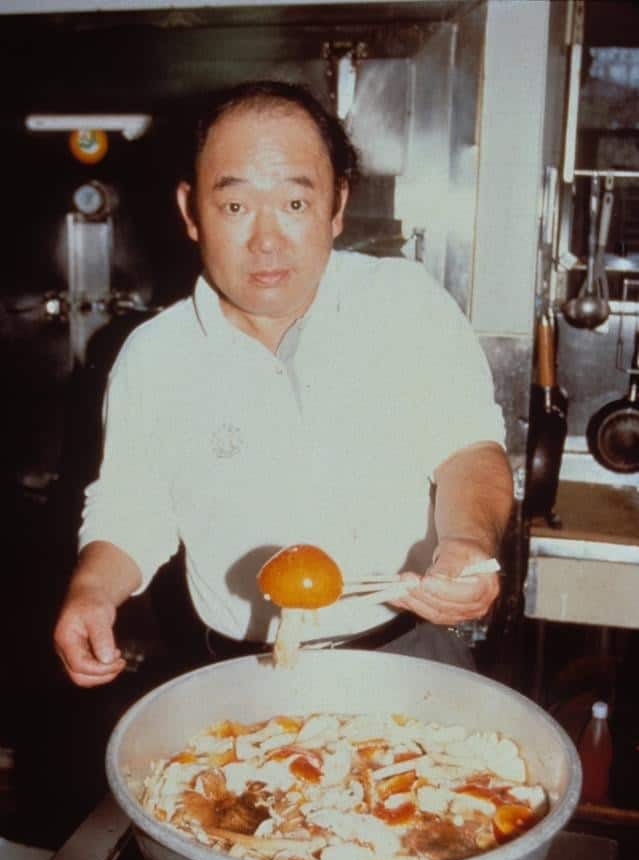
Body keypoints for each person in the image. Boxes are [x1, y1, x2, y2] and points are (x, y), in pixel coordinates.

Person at [54, 80, 513, 688]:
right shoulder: (154, 356)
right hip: (234, 669)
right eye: (235, 206)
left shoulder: (404, 305)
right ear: (192, 212)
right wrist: (90, 593)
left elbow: (469, 451)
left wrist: (466, 544)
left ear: (337, 205)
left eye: (295, 204)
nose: (266, 240)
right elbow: (133, 511)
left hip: (407, 652)